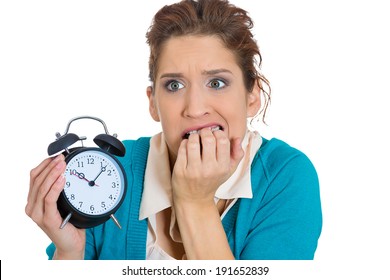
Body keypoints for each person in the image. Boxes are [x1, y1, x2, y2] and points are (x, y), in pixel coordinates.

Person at [26, 0, 322, 260]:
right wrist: (69, 252)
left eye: (217, 83)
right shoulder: (106, 175)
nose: (194, 108)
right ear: (153, 103)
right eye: (174, 85)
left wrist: (195, 202)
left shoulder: (285, 175)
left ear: (252, 97)